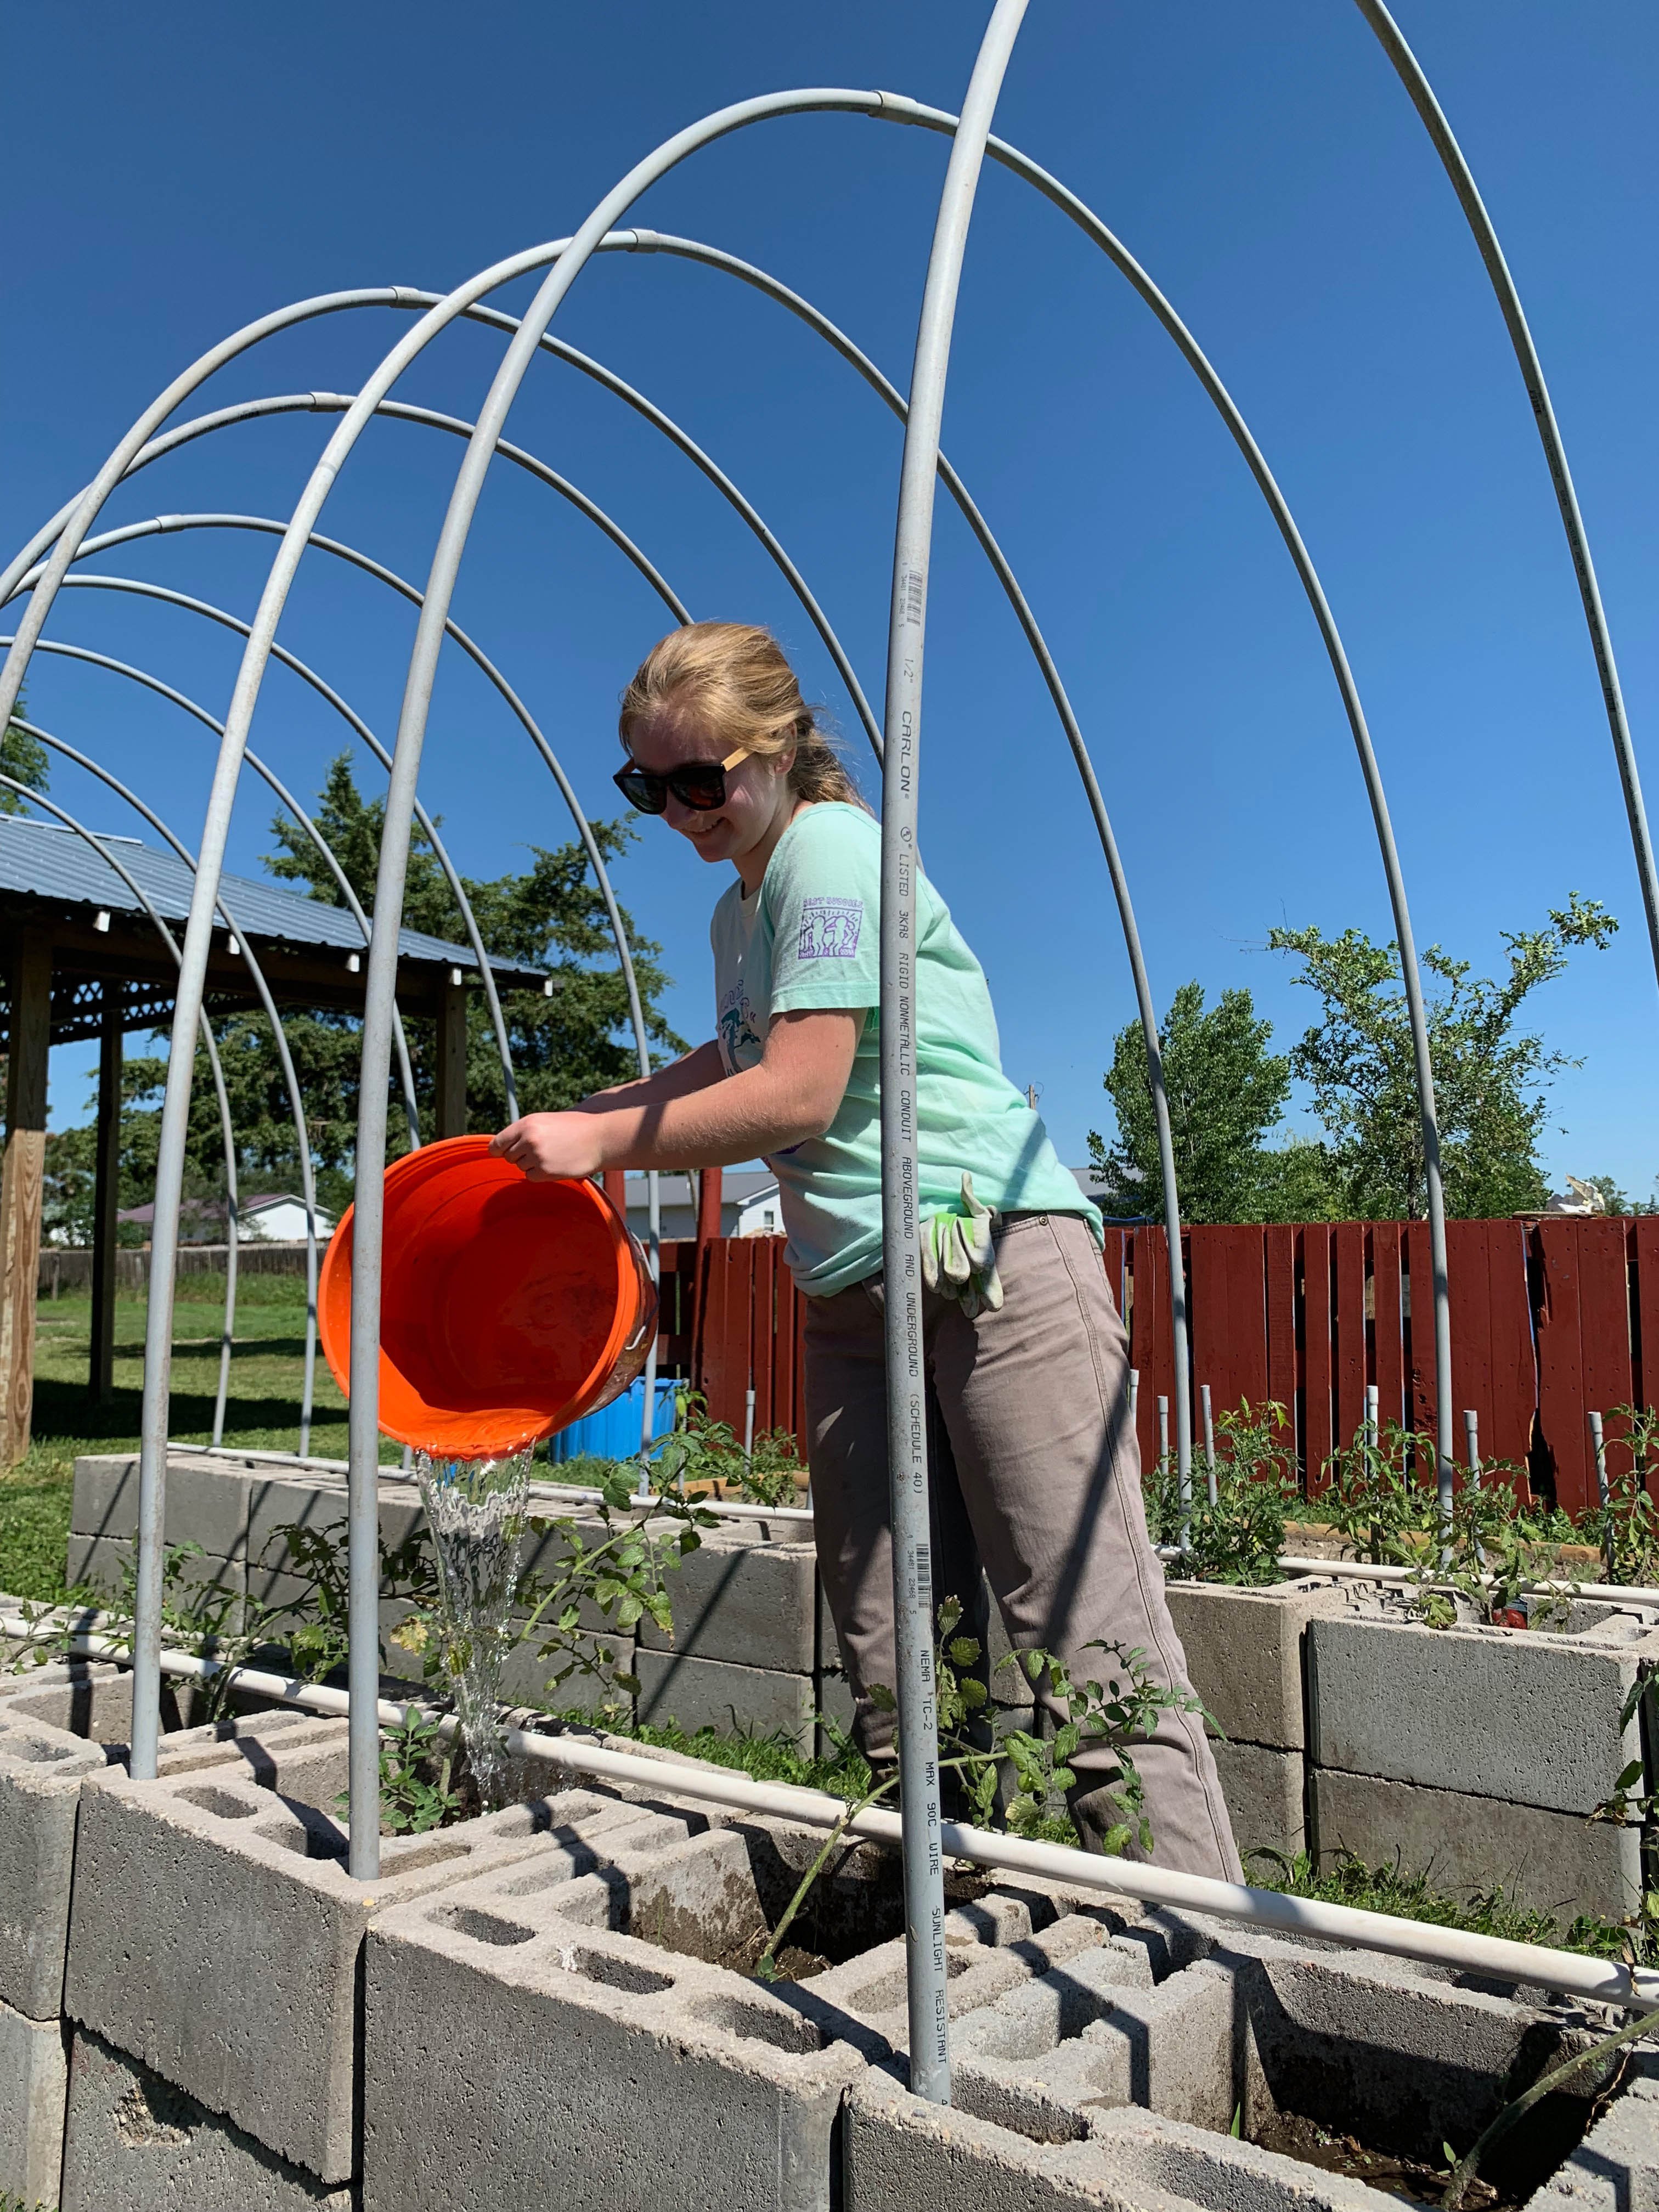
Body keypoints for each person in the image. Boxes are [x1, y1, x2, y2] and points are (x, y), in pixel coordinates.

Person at [490, 621, 1239, 1881]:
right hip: (848, 1287)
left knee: (1079, 1625)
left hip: (984, 1255)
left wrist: (606, 1146)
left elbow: (797, 1096)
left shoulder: (831, 851)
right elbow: (734, 1060)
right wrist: (586, 1119)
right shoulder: (743, 910)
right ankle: (955, 1907)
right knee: (897, 1639)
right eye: (647, 788)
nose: (678, 812)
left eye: (699, 780)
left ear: (776, 750)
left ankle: (1197, 1949)